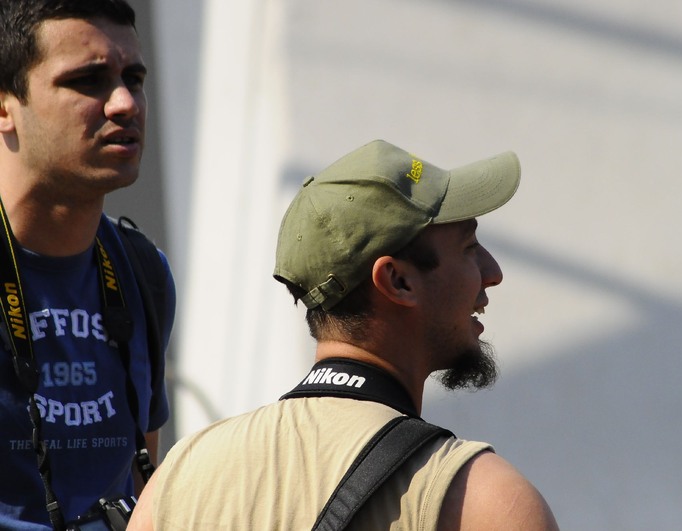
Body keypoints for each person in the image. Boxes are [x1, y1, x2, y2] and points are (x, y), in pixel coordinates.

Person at [130, 139, 558, 530]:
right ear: (397, 281)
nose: (493, 272)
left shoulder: (177, 478)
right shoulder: (482, 501)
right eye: (469, 248)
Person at [0, 1, 176, 529]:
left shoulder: (143, 271)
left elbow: (144, 486)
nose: (125, 103)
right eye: (87, 81)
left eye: (134, 79)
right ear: (5, 106)